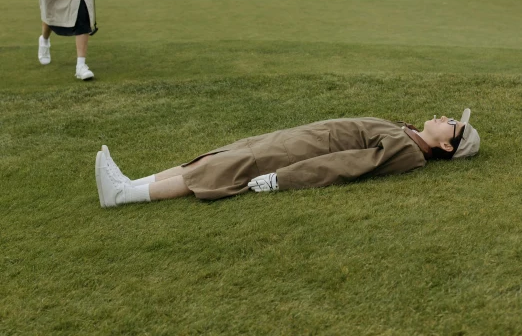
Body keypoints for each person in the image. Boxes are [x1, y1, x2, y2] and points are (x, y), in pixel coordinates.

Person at [95, 109, 480, 208]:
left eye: (452, 126)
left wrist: (283, 178)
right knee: (214, 158)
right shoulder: (409, 133)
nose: (445, 118)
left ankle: (123, 195)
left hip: (300, 154)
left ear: (447, 147)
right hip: (296, 139)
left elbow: (346, 166)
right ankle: (131, 182)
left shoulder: (407, 153)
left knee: (221, 170)